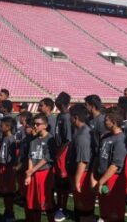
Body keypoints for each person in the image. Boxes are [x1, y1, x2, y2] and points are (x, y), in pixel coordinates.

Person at [91, 107, 127, 222]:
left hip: (113, 179)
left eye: (106, 120)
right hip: (103, 177)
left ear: (114, 122)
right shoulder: (105, 136)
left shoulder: (120, 139)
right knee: (105, 211)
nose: (104, 121)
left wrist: (101, 182)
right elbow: (98, 156)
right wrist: (94, 176)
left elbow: (115, 165)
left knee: (114, 213)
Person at [25, 113, 56, 222]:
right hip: (33, 174)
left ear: (45, 125)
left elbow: (47, 158)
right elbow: (30, 157)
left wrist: (32, 170)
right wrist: (29, 174)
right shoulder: (33, 140)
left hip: (44, 173)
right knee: (34, 202)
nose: (35, 126)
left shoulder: (50, 139)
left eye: (38, 124)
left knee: (46, 202)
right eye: (34, 124)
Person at [66, 104, 94, 222]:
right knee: (79, 206)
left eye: (70, 117)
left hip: (82, 175)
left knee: (84, 206)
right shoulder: (80, 131)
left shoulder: (83, 135)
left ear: (76, 118)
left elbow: (83, 160)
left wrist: (77, 181)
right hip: (80, 174)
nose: (69, 119)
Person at [54, 92, 73, 222]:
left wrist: (58, 154)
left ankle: (63, 208)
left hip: (63, 152)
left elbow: (67, 139)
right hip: (59, 150)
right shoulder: (60, 115)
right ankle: (59, 205)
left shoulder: (66, 117)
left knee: (63, 181)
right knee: (58, 182)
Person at [0, 116, 18, 221]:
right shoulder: (4, 137)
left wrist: (11, 169)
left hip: (8, 168)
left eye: (2, 125)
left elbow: (14, 157)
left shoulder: (11, 139)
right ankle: (7, 211)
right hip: (2, 166)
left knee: (9, 191)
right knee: (4, 191)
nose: (0, 127)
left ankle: (10, 213)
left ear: (8, 127)